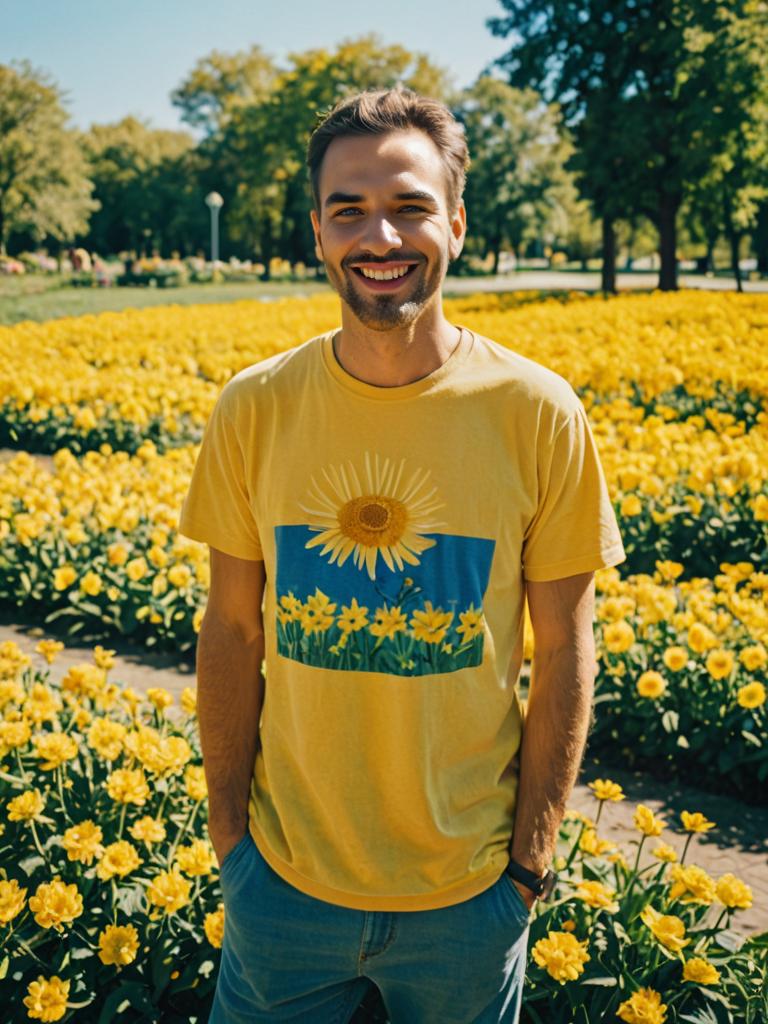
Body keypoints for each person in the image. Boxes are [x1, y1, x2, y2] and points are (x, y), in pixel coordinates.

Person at [178, 86, 626, 1024]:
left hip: (468, 898)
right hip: (283, 889)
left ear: (456, 223)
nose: (378, 235)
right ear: (318, 231)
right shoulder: (254, 407)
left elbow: (566, 650)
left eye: (410, 206)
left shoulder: (538, 413)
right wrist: (232, 842)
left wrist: (529, 865)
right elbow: (228, 628)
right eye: (349, 209)